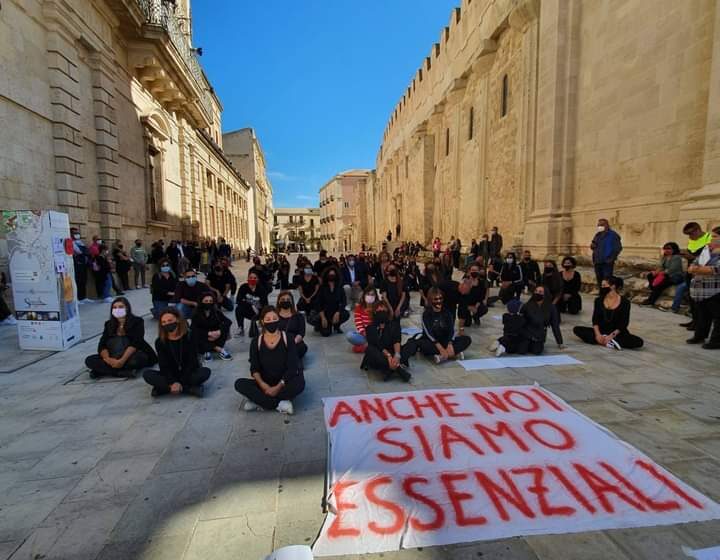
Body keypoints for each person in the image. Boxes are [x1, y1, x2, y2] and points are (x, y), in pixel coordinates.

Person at [235, 306, 305, 414]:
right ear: (262, 322)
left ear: (279, 320)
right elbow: (254, 368)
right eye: (268, 319)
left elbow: (292, 367)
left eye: (274, 318)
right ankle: (280, 403)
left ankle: (261, 401)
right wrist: (263, 385)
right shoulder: (256, 341)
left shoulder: (288, 338)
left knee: (299, 383)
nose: (271, 321)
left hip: (284, 382)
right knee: (239, 383)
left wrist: (278, 387)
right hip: (265, 383)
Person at [142, 308, 210, 397]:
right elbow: (163, 365)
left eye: (170, 320)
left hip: (188, 372)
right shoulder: (160, 341)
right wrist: (173, 382)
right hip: (171, 374)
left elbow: (192, 361)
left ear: (177, 319)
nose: (167, 324)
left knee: (205, 372)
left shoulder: (190, 336)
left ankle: (164, 389)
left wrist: (180, 381)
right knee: (147, 374)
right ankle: (189, 389)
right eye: (164, 322)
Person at [85, 297, 157, 378]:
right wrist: (108, 359)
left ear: (127, 308)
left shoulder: (137, 321)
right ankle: (121, 372)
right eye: (114, 307)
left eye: (121, 307)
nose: (117, 309)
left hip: (132, 354)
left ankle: (102, 371)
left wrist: (122, 361)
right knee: (89, 360)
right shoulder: (108, 324)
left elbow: (136, 343)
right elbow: (102, 345)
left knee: (136, 361)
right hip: (113, 354)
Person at [573, 276, 643, 350]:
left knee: (639, 342)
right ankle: (608, 342)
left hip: (617, 333)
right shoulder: (598, 300)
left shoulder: (625, 302)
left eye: (604, 285)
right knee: (577, 329)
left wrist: (611, 336)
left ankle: (610, 340)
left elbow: (624, 323)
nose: (601, 287)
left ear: (613, 286)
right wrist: (598, 335)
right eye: (601, 285)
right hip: (602, 330)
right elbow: (595, 320)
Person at [405, 287, 471, 364]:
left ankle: (443, 356)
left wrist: (450, 343)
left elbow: (451, 330)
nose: (439, 301)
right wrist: (440, 348)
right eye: (435, 299)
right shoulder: (426, 314)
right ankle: (452, 354)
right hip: (432, 342)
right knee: (421, 344)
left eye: (440, 298)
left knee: (467, 339)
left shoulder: (447, 312)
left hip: (445, 341)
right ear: (430, 300)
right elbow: (429, 333)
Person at [686, 226, 720, 349]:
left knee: (718, 316)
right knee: (703, 314)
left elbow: (715, 269)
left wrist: (698, 269)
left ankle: (716, 340)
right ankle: (699, 335)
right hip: (701, 290)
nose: (712, 238)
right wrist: (695, 268)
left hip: (715, 290)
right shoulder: (707, 250)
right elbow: (694, 265)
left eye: (715, 236)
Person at [361, 300, 412, 382]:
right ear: (374, 312)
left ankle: (390, 369)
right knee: (369, 349)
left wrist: (397, 355)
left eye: (384, 310)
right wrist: (388, 356)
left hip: (391, 352)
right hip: (378, 354)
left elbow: (397, 340)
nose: (381, 312)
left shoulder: (394, 325)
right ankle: (397, 369)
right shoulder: (370, 328)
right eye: (379, 311)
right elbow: (377, 345)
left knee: (410, 344)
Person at [515, 285, 564, 355]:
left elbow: (555, 325)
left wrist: (560, 342)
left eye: (540, 292)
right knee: (521, 350)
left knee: (537, 351)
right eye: (536, 291)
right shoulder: (527, 305)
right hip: (527, 332)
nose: (537, 293)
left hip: (539, 334)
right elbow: (519, 321)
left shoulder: (551, 307)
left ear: (545, 295)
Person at [191, 293, 232, 361]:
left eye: (210, 301)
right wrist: (208, 334)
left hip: (216, 335)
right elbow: (194, 328)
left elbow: (228, 321)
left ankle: (209, 349)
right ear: (201, 302)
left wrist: (219, 332)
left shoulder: (216, 311)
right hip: (203, 336)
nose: (208, 303)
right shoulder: (196, 313)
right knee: (194, 333)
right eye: (206, 301)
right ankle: (218, 349)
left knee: (225, 327)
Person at [642, 242, 684, 306]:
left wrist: (659, 273)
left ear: (674, 249)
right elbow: (661, 267)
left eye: (669, 249)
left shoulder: (676, 257)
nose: (667, 250)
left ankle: (651, 300)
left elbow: (672, 269)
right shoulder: (665, 257)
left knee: (660, 285)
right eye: (665, 248)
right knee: (650, 275)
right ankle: (653, 288)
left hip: (675, 276)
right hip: (665, 275)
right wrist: (655, 272)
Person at [314, 267, 350, 336]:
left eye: (333, 275)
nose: (331, 276)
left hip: (335, 312)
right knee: (326, 334)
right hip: (325, 313)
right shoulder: (322, 287)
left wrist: (338, 312)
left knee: (346, 314)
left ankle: (336, 325)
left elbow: (344, 301)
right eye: (330, 275)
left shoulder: (340, 287)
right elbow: (318, 303)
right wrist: (323, 317)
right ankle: (321, 325)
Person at [457, 263, 489, 334]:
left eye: (476, 270)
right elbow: (461, 297)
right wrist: (468, 307)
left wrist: (476, 307)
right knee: (467, 324)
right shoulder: (465, 281)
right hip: (465, 305)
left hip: (475, 304)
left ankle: (475, 316)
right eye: (472, 270)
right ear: (469, 271)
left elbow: (481, 296)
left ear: (478, 272)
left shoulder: (481, 283)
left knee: (484, 308)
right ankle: (469, 316)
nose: (474, 272)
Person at [591, 218, 623, 287]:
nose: (600, 226)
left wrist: (611, 258)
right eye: (598, 225)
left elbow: (618, 248)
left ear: (607, 225)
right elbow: (593, 245)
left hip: (607, 263)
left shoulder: (613, 235)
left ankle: (607, 295)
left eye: (602, 225)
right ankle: (601, 295)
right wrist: (592, 246)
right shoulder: (597, 235)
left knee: (607, 281)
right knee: (599, 281)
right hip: (597, 261)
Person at [235, 271, 269, 337]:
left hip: (258, 312)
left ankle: (260, 325)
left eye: (254, 278)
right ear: (247, 279)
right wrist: (252, 305)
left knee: (254, 334)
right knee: (238, 309)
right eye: (250, 278)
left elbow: (265, 304)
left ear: (258, 279)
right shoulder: (243, 287)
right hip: (248, 310)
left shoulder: (261, 289)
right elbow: (239, 300)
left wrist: (246, 301)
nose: (252, 279)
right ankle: (240, 328)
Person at [276, 291, 308, 359]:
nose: (285, 301)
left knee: (301, 348)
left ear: (292, 302)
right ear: (278, 301)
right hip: (278, 342)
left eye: (288, 300)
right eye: (283, 300)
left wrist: (292, 343)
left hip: (295, 342)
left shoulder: (299, 316)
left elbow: (301, 333)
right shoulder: (274, 316)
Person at [346, 287, 376, 351]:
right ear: (364, 295)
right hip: (364, 335)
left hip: (375, 335)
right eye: (368, 294)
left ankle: (367, 346)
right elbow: (358, 324)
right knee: (350, 335)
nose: (370, 296)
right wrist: (364, 333)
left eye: (372, 294)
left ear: (375, 296)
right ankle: (369, 346)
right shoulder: (359, 308)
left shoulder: (378, 307)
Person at [70, 227, 91, 303]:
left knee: (83, 280)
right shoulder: (71, 242)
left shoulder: (80, 242)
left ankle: (83, 297)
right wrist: (84, 251)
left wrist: (84, 251)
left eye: (77, 233)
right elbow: (79, 251)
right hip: (77, 264)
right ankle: (78, 298)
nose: (77, 235)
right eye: (75, 233)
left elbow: (87, 251)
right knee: (78, 281)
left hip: (83, 264)